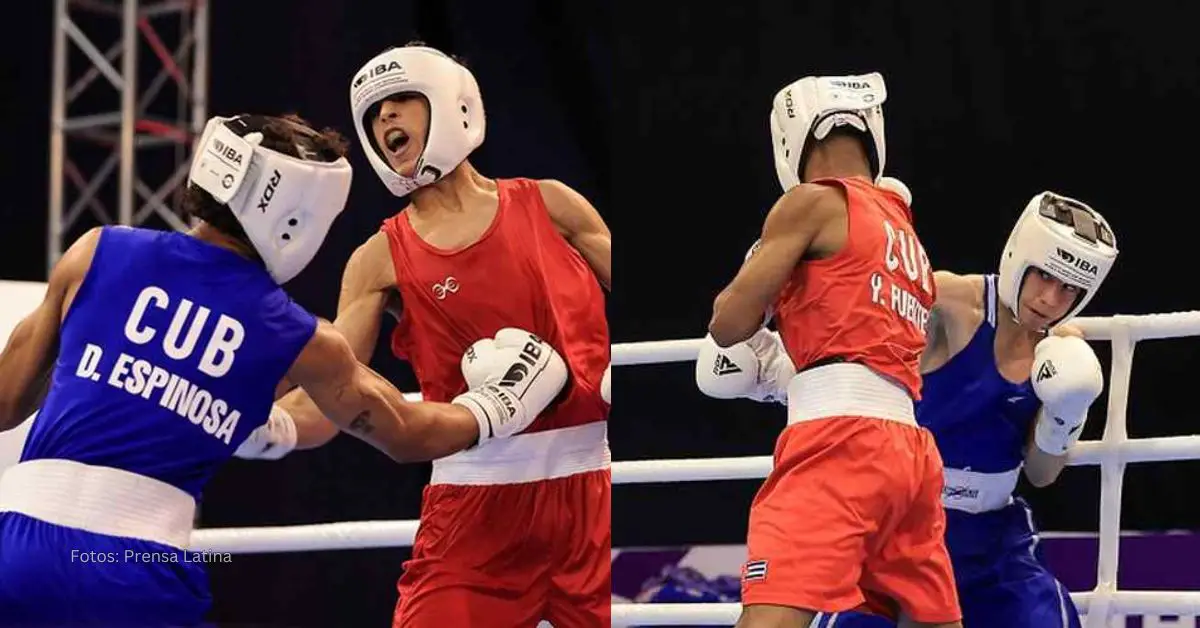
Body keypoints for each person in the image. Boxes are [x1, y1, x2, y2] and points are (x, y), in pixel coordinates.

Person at [0, 112, 570, 627]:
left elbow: (5, 402)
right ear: (298, 215)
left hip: (11, 547)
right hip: (133, 572)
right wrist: (500, 404)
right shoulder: (291, 333)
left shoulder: (97, 250)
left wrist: (159, 388)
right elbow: (402, 431)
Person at [249, 43, 613, 628]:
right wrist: (268, 427)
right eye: (375, 114)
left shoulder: (552, 205)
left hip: (591, 493)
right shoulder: (377, 260)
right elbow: (335, 393)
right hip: (473, 504)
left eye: (400, 102)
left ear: (450, 104)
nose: (386, 118)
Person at [694, 73, 962, 627]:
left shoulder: (810, 203)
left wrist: (760, 273)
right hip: (910, 454)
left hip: (837, 444)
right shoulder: (904, 232)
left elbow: (728, 324)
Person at [828, 187, 1116, 628]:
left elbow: (1041, 473)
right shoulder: (952, 303)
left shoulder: (1063, 351)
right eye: (1044, 277)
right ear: (1021, 256)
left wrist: (1066, 415)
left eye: (1069, 289)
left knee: (1046, 620)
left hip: (993, 538)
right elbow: (858, 310)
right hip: (904, 521)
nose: (1051, 300)